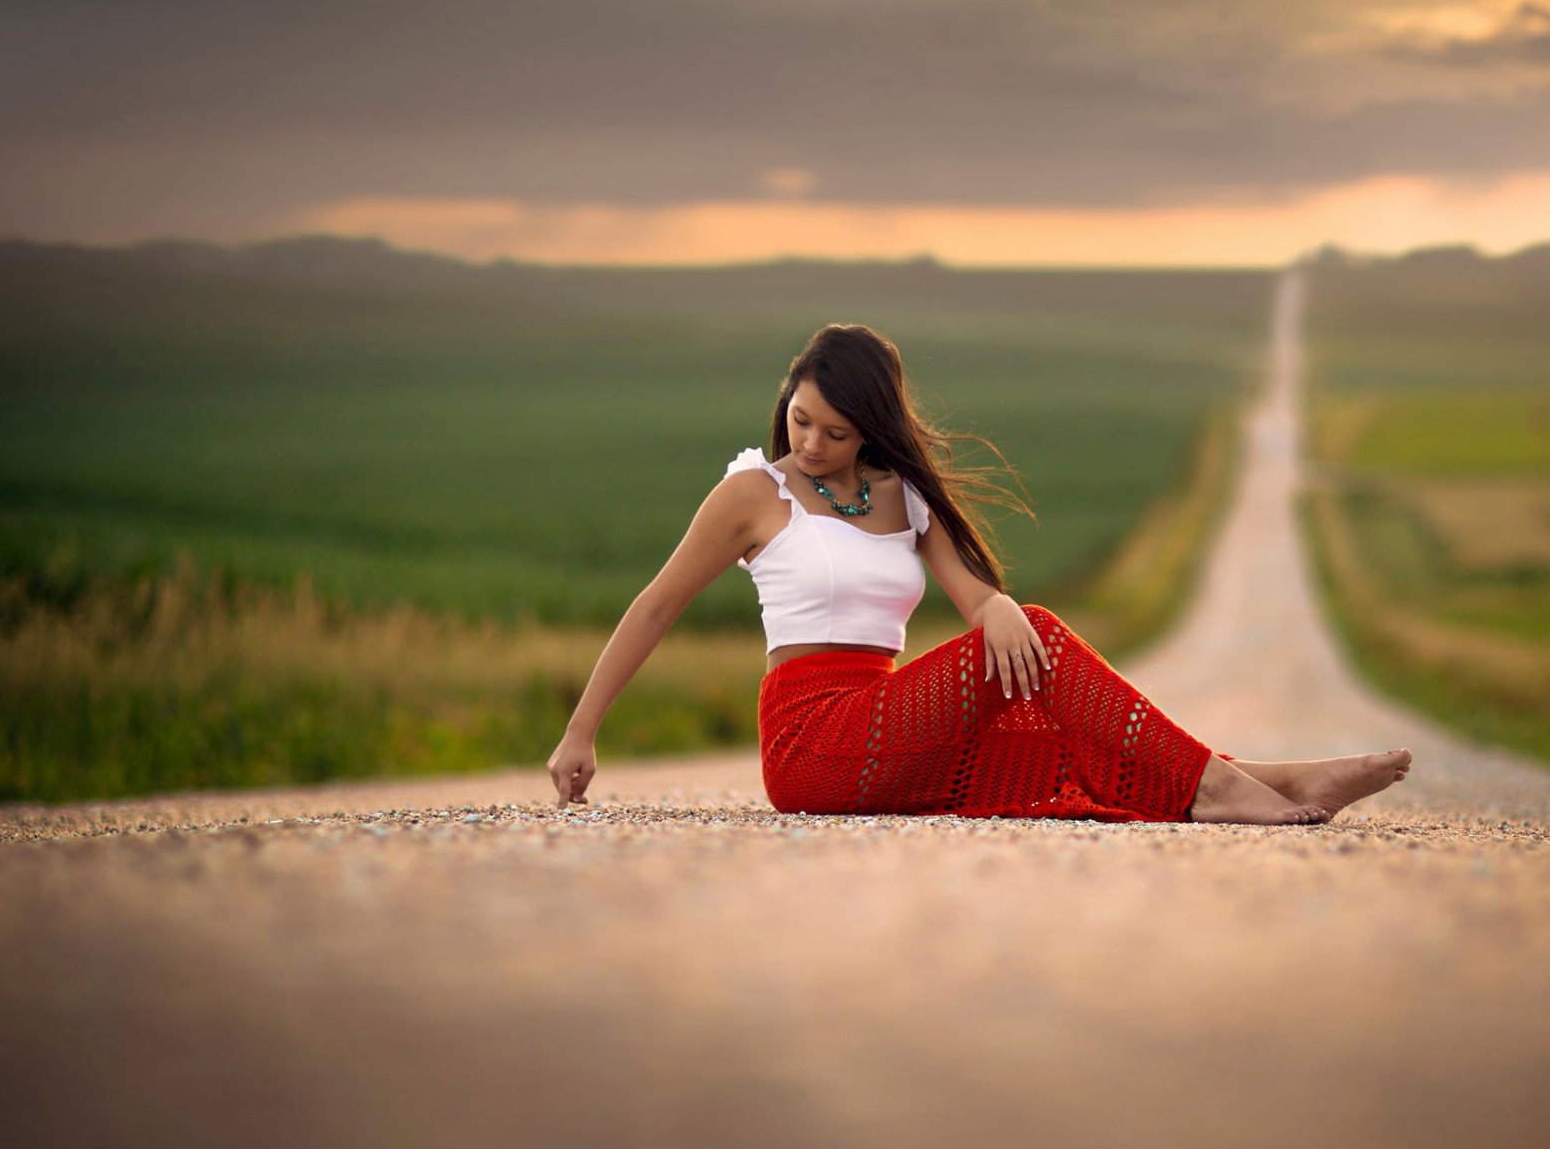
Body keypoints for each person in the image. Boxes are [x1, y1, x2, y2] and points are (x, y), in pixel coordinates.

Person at [546, 323, 1412, 823]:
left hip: (893, 732)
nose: (810, 444)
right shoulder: (752, 491)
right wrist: (581, 732)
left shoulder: (904, 496)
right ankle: (1224, 786)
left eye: (835, 432)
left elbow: (969, 596)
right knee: (1047, 642)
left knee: (1072, 741)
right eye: (801, 419)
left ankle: (1283, 779)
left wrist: (994, 604)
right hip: (816, 743)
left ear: (870, 431)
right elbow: (656, 606)